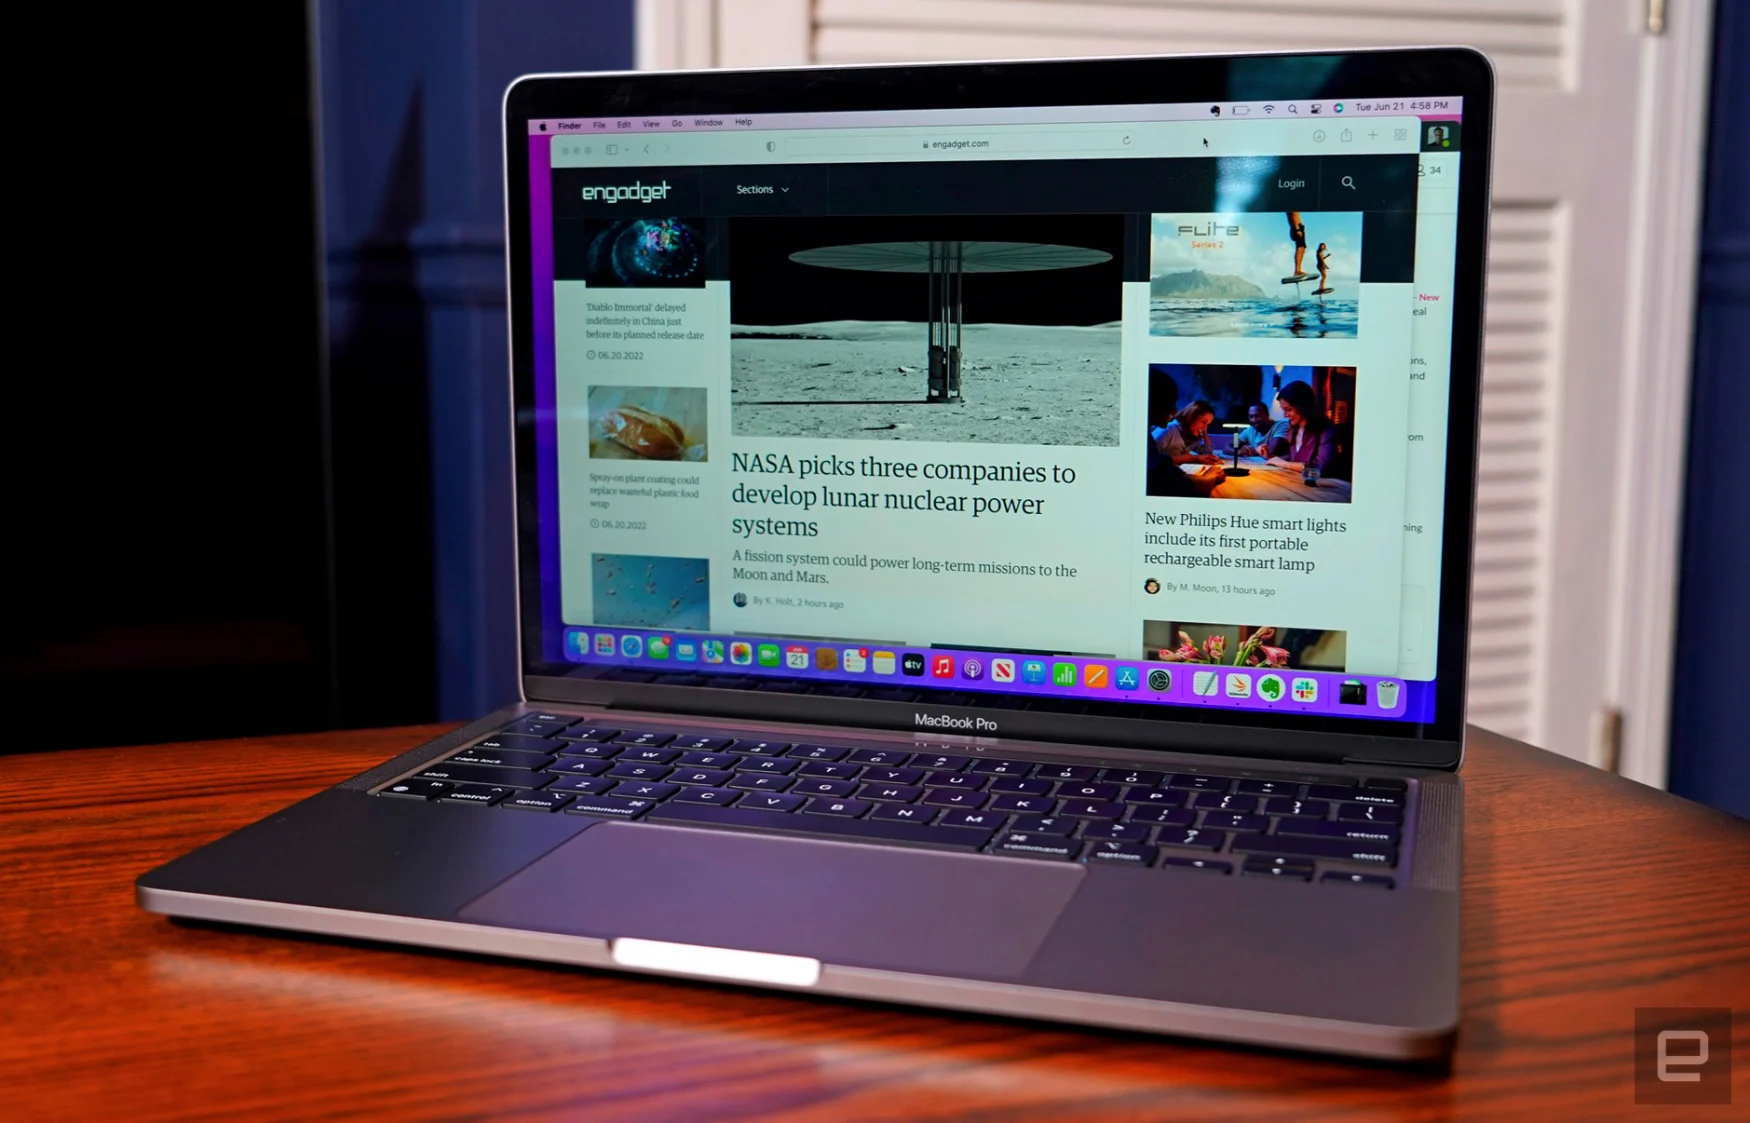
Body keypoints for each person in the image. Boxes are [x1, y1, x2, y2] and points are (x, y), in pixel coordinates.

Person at [1267, 381, 1338, 475]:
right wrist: (1271, 457)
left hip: (1323, 487)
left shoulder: (1326, 428)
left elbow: (1321, 468)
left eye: (1289, 409)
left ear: (1304, 406)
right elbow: (1295, 459)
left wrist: (1285, 464)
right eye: (1284, 410)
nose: (1285, 415)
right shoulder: (1293, 429)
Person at [1154, 400, 1221, 465]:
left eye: (1208, 424)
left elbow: (1207, 452)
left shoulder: (1190, 435)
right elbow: (1152, 459)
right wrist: (1193, 458)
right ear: (1191, 416)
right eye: (1203, 422)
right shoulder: (1169, 429)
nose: (1205, 427)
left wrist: (1204, 432)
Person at [1285, 211, 1312, 279]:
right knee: (1300, 248)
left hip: (1296, 227)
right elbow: (1294, 214)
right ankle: (1297, 271)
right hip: (1297, 227)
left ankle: (1298, 270)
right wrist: (1297, 229)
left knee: (1302, 248)